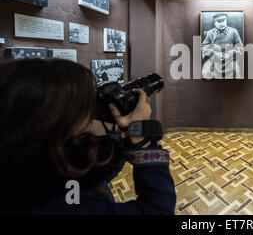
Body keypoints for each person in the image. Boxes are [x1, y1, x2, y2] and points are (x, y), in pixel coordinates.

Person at [0, 59, 176, 214]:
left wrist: (120, 136)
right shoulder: (67, 206)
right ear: (58, 119)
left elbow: (86, 177)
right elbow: (158, 209)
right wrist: (142, 139)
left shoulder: (37, 163)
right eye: (83, 104)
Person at [201, 13, 243, 79]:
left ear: (226, 21)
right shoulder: (210, 33)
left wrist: (229, 54)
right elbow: (203, 47)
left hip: (230, 59)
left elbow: (240, 47)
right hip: (214, 59)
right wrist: (214, 54)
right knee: (206, 72)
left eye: (223, 20)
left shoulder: (233, 31)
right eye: (219, 21)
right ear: (214, 23)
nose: (221, 23)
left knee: (236, 73)